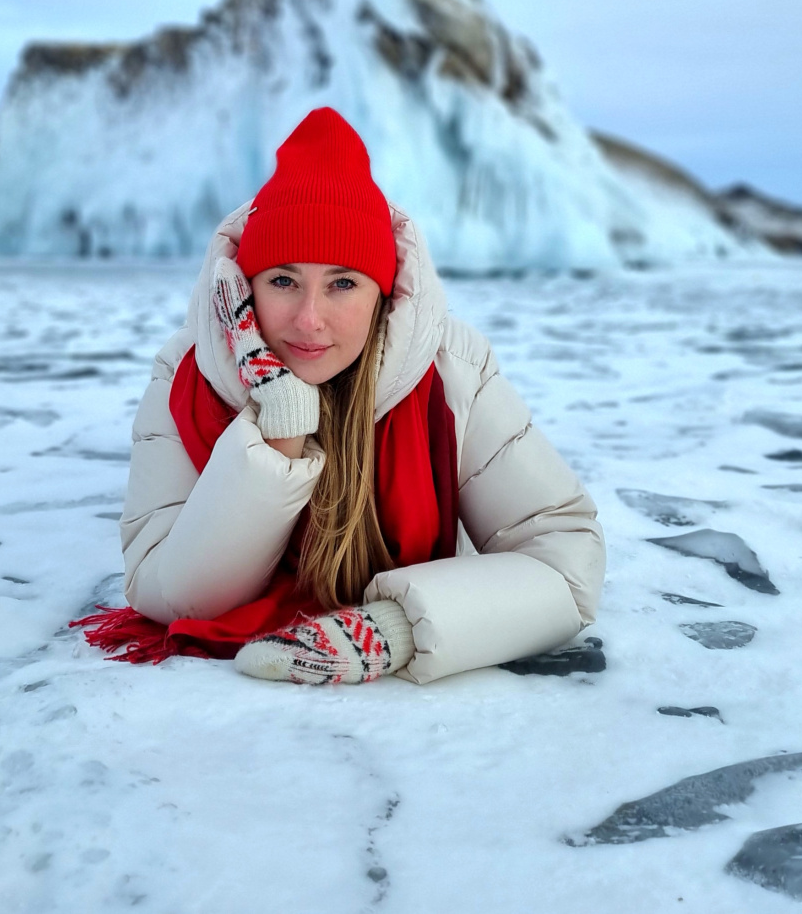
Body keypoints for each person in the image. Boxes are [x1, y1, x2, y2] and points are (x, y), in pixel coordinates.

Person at [88, 107, 604, 686]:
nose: (309, 320)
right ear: (242, 288)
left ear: (382, 295)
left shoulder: (450, 372)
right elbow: (171, 594)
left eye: (342, 284)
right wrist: (277, 431)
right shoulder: (188, 373)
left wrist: (398, 628)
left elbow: (567, 563)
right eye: (282, 280)